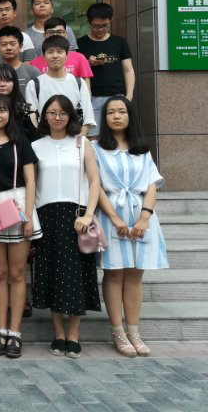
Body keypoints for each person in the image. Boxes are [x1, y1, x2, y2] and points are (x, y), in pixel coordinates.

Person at [93, 95, 168, 357]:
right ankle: (117, 331)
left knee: (136, 274)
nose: (116, 116)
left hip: (141, 216)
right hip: (111, 216)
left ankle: (134, 331)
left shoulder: (142, 149)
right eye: (110, 112)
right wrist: (114, 218)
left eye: (121, 111)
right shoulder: (96, 148)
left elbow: (151, 185)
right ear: (104, 118)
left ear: (129, 116)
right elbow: (96, 186)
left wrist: (145, 217)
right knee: (114, 273)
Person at [32, 95, 102, 359]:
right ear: (44, 116)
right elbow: (33, 185)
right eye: (51, 112)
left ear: (71, 116)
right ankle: (58, 333)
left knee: (76, 276)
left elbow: (94, 182)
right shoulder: (36, 146)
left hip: (76, 217)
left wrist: (89, 214)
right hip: (47, 216)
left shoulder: (82, 144)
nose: (57, 117)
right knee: (51, 273)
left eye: (62, 113)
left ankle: (74, 334)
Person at [0, 95, 41, 359]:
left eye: (2, 110)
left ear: (9, 114)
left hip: (17, 209)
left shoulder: (20, 142)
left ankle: (15, 332)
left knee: (17, 273)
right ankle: (0, 330)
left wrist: (29, 216)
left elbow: (31, 180)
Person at [77, 3, 135, 135]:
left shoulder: (119, 42)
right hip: (90, 97)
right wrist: (87, 63)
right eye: (96, 26)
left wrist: (129, 96)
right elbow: (74, 71)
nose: (100, 29)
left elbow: (128, 70)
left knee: (118, 135)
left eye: (105, 25)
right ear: (89, 22)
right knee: (93, 136)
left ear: (110, 21)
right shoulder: (80, 44)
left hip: (117, 96)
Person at [25, 36, 96, 136]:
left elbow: (88, 117)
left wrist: (78, 141)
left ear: (66, 55)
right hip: (45, 139)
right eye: (50, 52)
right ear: (44, 57)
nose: (55, 56)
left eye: (59, 51)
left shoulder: (78, 82)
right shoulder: (34, 85)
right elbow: (32, 117)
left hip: (74, 138)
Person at [0, 64, 39, 143]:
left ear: (15, 83)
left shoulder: (28, 111)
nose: (2, 84)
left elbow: (36, 142)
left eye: (7, 80)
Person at [29, 18, 92, 85]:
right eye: (51, 32)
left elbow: (85, 87)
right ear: (44, 36)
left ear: (66, 35)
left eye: (59, 32)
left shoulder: (79, 58)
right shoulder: (34, 64)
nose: (55, 35)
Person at [0, 26, 40, 96]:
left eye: (12, 44)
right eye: (4, 44)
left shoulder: (32, 71)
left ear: (20, 46)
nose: (8, 48)